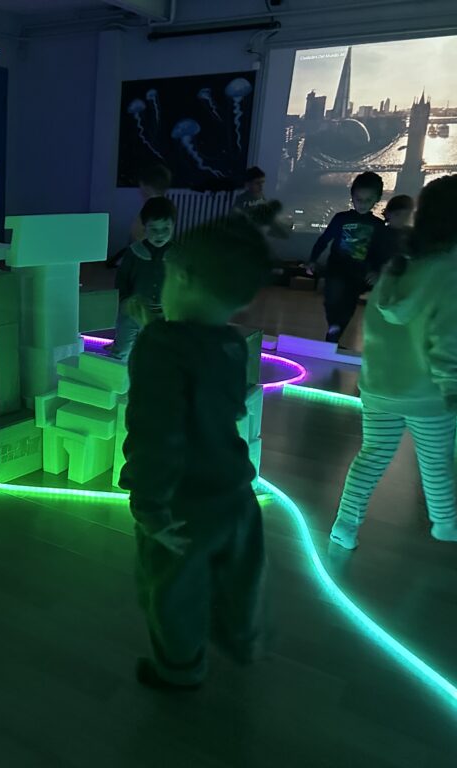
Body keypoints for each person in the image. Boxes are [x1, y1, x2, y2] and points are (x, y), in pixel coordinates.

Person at [120, 218, 273, 690]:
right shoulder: (231, 345)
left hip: (183, 502)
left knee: (172, 589)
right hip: (235, 490)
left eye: (166, 277)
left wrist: (149, 505)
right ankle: (239, 637)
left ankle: (180, 669)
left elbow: (157, 432)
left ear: (182, 277)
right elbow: (206, 384)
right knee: (236, 573)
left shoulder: (158, 347)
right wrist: (155, 330)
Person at [329, 175, 457, 550]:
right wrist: (452, 385)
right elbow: (450, 338)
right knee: (435, 463)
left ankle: (344, 526)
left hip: (379, 389)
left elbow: (376, 330)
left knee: (371, 457)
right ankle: (444, 523)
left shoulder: (395, 271)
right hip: (428, 396)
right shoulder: (456, 280)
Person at [306, 171, 386, 343]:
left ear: (377, 199)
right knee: (332, 297)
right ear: (352, 197)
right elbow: (324, 240)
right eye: (359, 199)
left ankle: (334, 336)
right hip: (336, 268)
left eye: (368, 200)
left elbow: (380, 252)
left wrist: (377, 271)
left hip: (358, 274)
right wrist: (312, 259)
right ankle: (333, 328)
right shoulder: (341, 219)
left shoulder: (378, 226)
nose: (362, 204)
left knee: (348, 305)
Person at [107, 196, 176, 362]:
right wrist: (124, 300)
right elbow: (122, 279)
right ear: (144, 227)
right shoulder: (134, 252)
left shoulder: (177, 254)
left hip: (162, 315)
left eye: (165, 228)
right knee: (122, 349)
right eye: (154, 229)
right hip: (132, 312)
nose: (160, 234)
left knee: (157, 352)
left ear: (173, 226)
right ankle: (114, 373)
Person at [366, 194, 414, 278]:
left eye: (406, 215)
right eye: (397, 214)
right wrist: (375, 272)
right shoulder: (379, 233)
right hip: (381, 277)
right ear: (388, 214)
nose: (402, 219)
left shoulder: (413, 234)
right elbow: (370, 256)